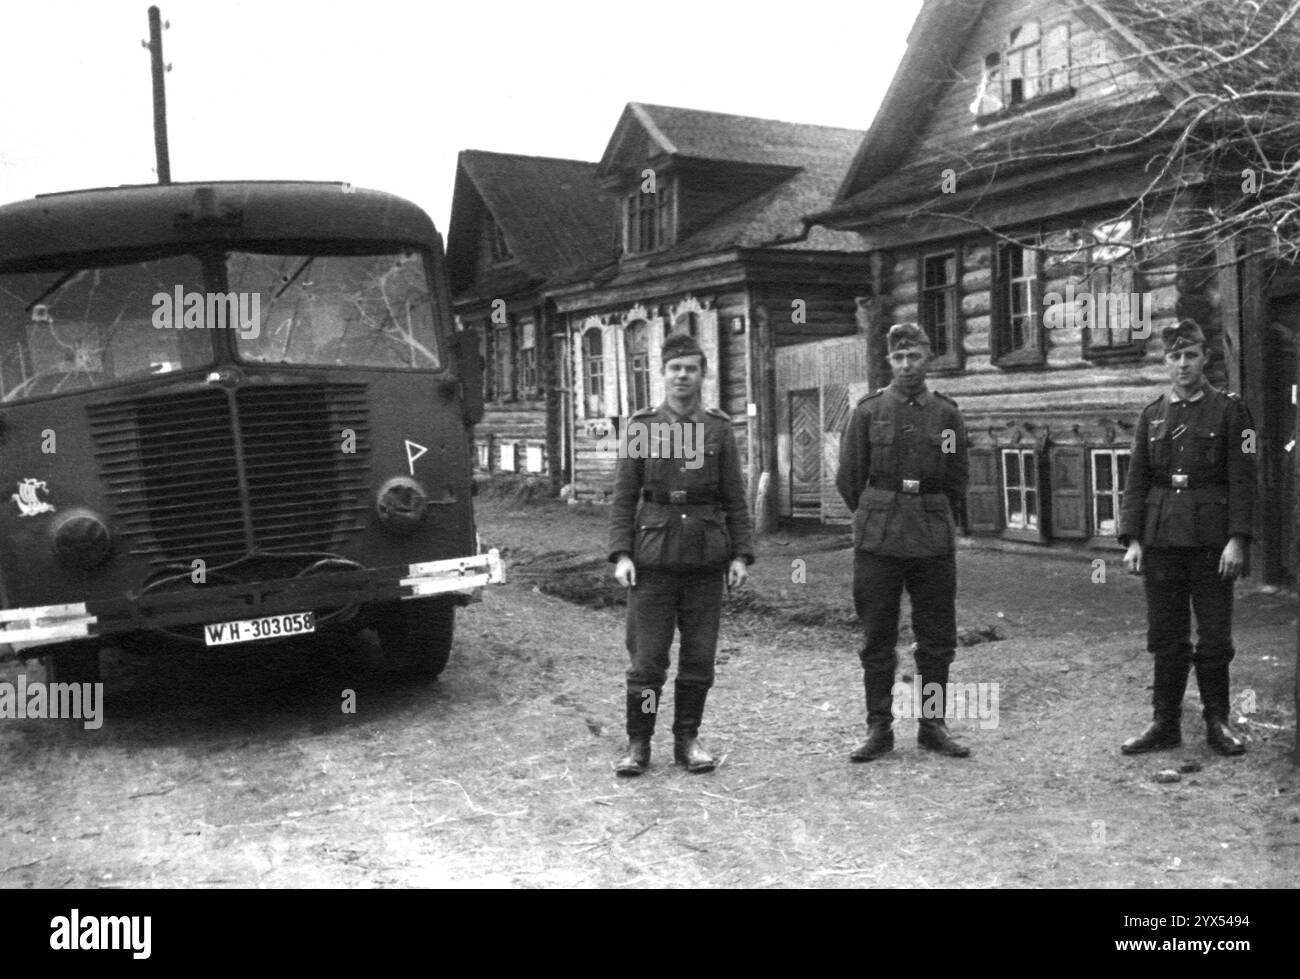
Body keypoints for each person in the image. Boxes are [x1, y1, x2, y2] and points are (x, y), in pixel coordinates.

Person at [607, 332, 754, 776]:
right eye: (675, 368)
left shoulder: (717, 428)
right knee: (648, 661)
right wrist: (621, 555)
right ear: (663, 373)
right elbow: (623, 496)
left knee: (698, 659)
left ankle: (687, 738)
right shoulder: (642, 427)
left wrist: (741, 556)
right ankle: (639, 743)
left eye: (691, 368)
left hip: (706, 561)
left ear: (702, 374)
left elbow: (735, 498)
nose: (683, 375)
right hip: (652, 561)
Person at [1119, 319, 1255, 756]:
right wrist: (1133, 539)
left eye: (1190, 355)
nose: (1182, 364)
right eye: (1174, 356)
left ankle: (1218, 722)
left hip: (1213, 544)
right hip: (1160, 543)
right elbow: (1136, 480)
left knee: (1215, 637)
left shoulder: (1233, 413)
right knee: (1166, 637)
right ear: (1166, 361)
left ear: (1205, 358)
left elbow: (1245, 479)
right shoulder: (1151, 415)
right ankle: (1165, 723)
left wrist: (1239, 539)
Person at [836, 322, 970, 761]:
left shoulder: (947, 415)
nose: (907, 365)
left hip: (932, 539)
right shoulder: (868, 412)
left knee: (935, 638)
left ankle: (932, 726)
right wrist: (880, 510)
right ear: (889, 361)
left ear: (928, 358)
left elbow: (957, 478)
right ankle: (879, 729)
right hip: (879, 540)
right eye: (899, 358)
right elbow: (850, 479)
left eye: (915, 356)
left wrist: (933, 513)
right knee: (877, 637)